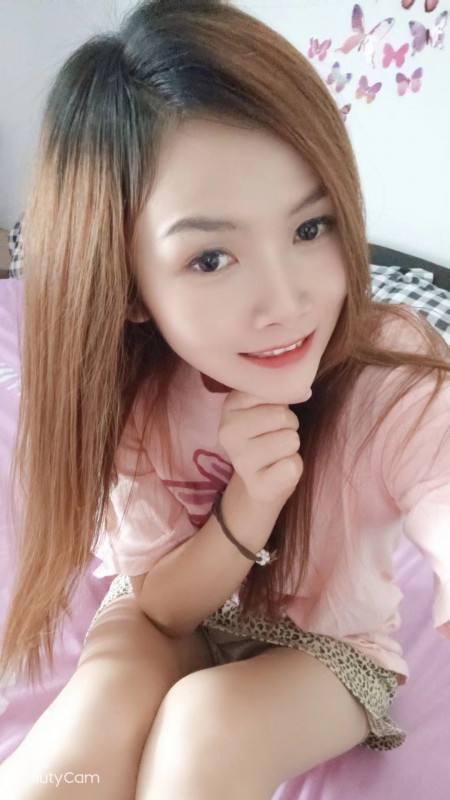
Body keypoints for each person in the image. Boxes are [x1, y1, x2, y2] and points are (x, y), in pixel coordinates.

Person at [0, 0, 449, 797]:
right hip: (169, 607)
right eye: (210, 258)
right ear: (129, 288)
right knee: (80, 737)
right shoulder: (137, 389)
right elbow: (165, 609)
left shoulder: (390, 367)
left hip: (328, 647)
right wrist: (250, 501)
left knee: (206, 727)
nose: (285, 301)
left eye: (310, 228)